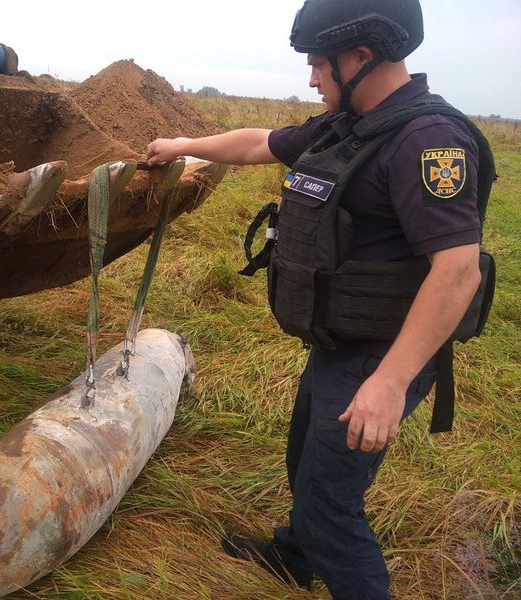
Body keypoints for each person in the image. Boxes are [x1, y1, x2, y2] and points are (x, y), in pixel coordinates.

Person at [146, 0, 495, 598]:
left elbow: (458, 271)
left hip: (384, 352)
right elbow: (258, 142)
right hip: (339, 339)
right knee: (304, 456)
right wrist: (182, 144)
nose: (311, 79)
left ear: (361, 56)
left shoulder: (428, 140)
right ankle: (294, 557)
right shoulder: (351, 125)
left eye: (317, 64)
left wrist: (389, 383)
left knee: (331, 504)